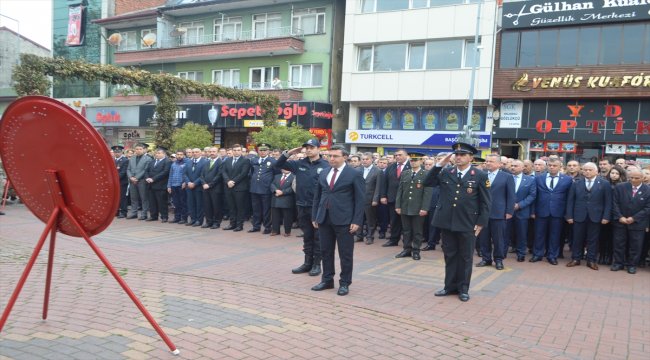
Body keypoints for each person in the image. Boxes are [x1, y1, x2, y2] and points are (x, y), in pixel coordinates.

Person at [424, 142, 491, 302]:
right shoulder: (447, 172)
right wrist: (439, 165)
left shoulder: (479, 175)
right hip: (447, 221)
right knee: (450, 255)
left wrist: (481, 222)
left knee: (466, 257)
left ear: (471, 158)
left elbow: (485, 202)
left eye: (463, 155)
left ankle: (463, 289)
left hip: (468, 222)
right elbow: (428, 182)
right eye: (457, 155)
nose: (459, 157)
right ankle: (449, 286)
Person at [311, 145, 365, 296]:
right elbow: (318, 195)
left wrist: (357, 220)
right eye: (329, 156)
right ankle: (327, 280)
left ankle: (345, 283)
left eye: (335, 156)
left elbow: (360, 200)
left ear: (345, 157)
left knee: (345, 254)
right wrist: (315, 215)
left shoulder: (354, 174)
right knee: (325, 251)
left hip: (345, 220)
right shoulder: (324, 172)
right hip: (324, 218)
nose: (331, 159)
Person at [276, 138, 329, 276]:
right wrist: (289, 153)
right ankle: (307, 263)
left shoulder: (326, 165)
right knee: (307, 236)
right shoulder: (299, 163)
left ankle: (317, 264)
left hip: (317, 207)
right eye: (307, 147)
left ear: (319, 149)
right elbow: (277, 164)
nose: (309, 149)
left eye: (312, 147)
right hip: (301, 204)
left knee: (318, 237)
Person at [565, 162, 611, 270]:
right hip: (578, 215)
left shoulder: (604, 184)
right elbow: (570, 201)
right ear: (582, 171)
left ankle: (591, 260)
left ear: (596, 171)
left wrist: (606, 216)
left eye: (590, 170)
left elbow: (608, 202)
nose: (588, 172)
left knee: (593, 239)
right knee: (577, 238)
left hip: (596, 216)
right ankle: (576, 258)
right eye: (585, 170)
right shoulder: (576, 183)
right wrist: (569, 216)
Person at [477, 154, 515, 270]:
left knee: (498, 238)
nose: (488, 163)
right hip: (483, 212)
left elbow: (511, 196)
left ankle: (498, 260)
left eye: (491, 162)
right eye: (487, 161)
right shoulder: (481, 175)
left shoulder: (506, 177)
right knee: (483, 237)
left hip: (499, 212)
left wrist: (509, 211)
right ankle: (486, 258)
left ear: (499, 164)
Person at [531, 157, 572, 265]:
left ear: (560, 167)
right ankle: (537, 254)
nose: (552, 167)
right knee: (539, 234)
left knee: (555, 235)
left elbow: (569, 198)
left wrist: (567, 214)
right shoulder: (539, 178)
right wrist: (533, 211)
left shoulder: (567, 179)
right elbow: (534, 196)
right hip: (541, 211)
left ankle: (552, 256)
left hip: (558, 212)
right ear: (547, 166)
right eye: (550, 165)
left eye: (554, 166)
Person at [611, 169, 650, 274]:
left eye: (636, 178)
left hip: (638, 223)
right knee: (619, 243)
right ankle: (618, 263)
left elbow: (648, 208)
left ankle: (632, 265)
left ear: (642, 178)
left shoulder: (648, 190)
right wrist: (620, 217)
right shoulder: (620, 187)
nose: (633, 180)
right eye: (631, 177)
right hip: (620, 222)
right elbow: (614, 203)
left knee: (635, 245)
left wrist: (634, 218)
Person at [394, 154, 432, 260]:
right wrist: (398, 205)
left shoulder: (426, 174)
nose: (413, 162)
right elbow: (400, 190)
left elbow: (427, 193)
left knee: (417, 231)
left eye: (416, 160)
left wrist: (424, 208)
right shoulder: (405, 173)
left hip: (418, 208)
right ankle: (406, 249)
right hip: (405, 206)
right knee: (406, 230)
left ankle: (416, 250)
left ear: (421, 162)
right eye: (411, 160)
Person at [507, 160, 537, 262]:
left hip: (522, 211)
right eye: (512, 165)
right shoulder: (506, 178)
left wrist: (520, 205)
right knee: (505, 233)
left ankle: (521, 253)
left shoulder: (530, 180)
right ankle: (502, 252)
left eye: (515, 166)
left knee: (522, 234)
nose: (513, 168)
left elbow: (532, 195)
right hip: (507, 211)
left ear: (522, 168)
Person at [380, 150, 411, 247]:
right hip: (392, 198)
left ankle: (407, 242)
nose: (397, 156)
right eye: (396, 155)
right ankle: (393, 240)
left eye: (400, 155)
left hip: (407, 199)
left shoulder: (412, 166)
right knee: (394, 221)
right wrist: (383, 196)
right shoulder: (391, 167)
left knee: (407, 222)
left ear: (406, 156)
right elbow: (384, 183)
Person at [221, 144, 251, 231]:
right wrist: (228, 181)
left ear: (241, 151)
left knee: (240, 207)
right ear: (232, 151)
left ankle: (239, 225)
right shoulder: (228, 160)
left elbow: (243, 173)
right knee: (231, 207)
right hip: (229, 187)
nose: (236, 152)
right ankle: (232, 224)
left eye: (238, 150)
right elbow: (223, 171)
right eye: (235, 150)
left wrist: (233, 181)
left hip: (240, 188)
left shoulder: (246, 160)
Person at [249, 143, 277, 234]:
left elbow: (276, 174)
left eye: (265, 150)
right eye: (261, 150)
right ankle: (256, 226)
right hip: (254, 188)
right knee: (256, 209)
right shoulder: (254, 160)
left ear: (268, 151)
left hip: (266, 189)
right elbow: (252, 172)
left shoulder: (272, 161)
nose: (263, 152)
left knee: (266, 210)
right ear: (258, 151)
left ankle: (267, 227)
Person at [359, 153, 382, 244]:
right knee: (359, 218)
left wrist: (375, 199)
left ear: (372, 160)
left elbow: (378, 186)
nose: (364, 161)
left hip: (370, 199)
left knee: (370, 219)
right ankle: (359, 235)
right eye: (363, 159)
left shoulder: (377, 171)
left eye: (367, 159)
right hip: (358, 199)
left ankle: (370, 236)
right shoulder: (357, 170)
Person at [145, 147, 172, 222]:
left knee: (162, 202)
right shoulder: (152, 161)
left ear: (164, 154)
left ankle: (164, 216)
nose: (157, 154)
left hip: (161, 185)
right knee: (152, 202)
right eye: (156, 153)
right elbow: (147, 170)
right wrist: (147, 178)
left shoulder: (167, 161)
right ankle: (153, 216)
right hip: (151, 185)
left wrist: (153, 179)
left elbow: (165, 172)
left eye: (159, 153)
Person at [126, 143, 153, 220]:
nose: (138, 151)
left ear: (144, 150)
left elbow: (145, 170)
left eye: (140, 149)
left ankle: (144, 214)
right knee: (133, 198)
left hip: (142, 181)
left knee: (144, 198)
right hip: (132, 180)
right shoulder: (132, 158)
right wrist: (131, 177)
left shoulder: (148, 159)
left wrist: (136, 178)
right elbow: (128, 169)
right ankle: (134, 213)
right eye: (137, 149)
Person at [200, 147, 223, 229]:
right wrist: (203, 183)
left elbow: (219, 175)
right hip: (205, 188)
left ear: (218, 152)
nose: (212, 153)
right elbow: (202, 174)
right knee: (207, 206)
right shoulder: (206, 162)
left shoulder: (220, 162)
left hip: (215, 188)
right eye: (210, 151)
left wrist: (210, 184)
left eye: (214, 151)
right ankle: (209, 222)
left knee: (216, 206)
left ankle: (216, 223)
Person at [270, 169, 295, 237]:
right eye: (284, 168)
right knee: (275, 216)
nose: (285, 169)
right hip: (276, 198)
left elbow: (292, 188)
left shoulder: (294, 177)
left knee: (287, 217)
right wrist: (275, 190)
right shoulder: (277, 176)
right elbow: (272, 184)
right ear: (281, 169)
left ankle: (287, 231)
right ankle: (275, 230)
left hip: (287, 200)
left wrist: (282, 192)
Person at [167, 150, 188, 224]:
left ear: (184, 155)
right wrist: (169, 186)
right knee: (176, 203)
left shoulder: (186, 163)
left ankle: (184, 218)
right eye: (178, 154)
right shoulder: (173, 164)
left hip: (181, 185)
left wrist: (185, 182)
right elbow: (170, 175)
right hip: (173, 185)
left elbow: (187, 174)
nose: (179, 156)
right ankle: (177, 217)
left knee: (183, 202)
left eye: (181, 154)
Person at [112, 145, 129, 218]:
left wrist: (114, 179)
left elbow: (123, 172)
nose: (117, 153)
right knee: (116, 197)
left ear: (122, 152)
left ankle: (123, 212)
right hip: (114, 183)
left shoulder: (125, 160)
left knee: (122, 197)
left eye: (118, 152)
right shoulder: (112, 160)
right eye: (115, 152)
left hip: (122, 182)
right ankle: (116, 211)